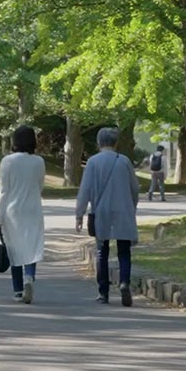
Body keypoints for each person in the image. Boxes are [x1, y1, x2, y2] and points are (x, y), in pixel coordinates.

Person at [75, 127, 140, 305]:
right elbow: (135, 188)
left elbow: (85, 190)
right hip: (123, 210)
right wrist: (132, 206)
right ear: (116, 142)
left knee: (102, 251)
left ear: (99, 142)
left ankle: (103, 292)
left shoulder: (93, 162)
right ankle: (124, 282)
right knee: (124, 251)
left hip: (101, 211)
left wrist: (79, 214)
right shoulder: (124, 161)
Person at [0, 125, 46, 304]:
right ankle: (29, 277)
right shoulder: (39, 162)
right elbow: (40, 186)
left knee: (14, 248)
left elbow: (3, 190)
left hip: (12, 210)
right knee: (31, 246)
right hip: (33, 208)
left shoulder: (7, 161)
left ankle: (18, 289)